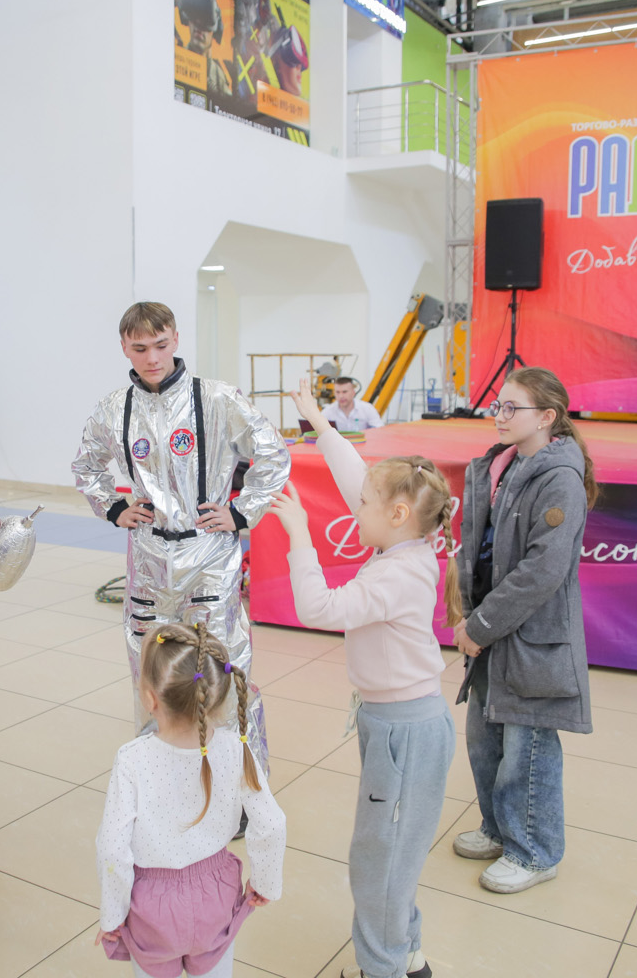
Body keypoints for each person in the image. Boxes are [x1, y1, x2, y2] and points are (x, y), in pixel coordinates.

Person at [267, 378, 460, 978]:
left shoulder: (395, 575)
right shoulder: (402, 542)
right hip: (394, 724)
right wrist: (320, 424)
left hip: (406, 732)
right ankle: (405, 954)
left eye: (365, 507)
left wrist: (300, 535)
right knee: (391, 853)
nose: (356, 509)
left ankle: (384, 968)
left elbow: (319, 608)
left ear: (397, 515)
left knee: (380, 861)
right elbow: (361, 480)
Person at [72, 302, 291, 773]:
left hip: (208, 553)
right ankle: (162, 778)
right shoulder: (115, 408)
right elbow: (86, 466)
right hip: (149, 556)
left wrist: (241, 512)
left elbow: (273, 453)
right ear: (124, 347)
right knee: (151, 670)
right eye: (139, 348)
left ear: (175, 338)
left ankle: (242, 781)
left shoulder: (217, 399)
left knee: (224, 668)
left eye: (160, 345)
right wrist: (115, 508)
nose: (152, 358)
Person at [451, 367, 596, 894]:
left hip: (529, 637)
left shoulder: (559, 479)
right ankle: (498, 828)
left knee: (527, 748)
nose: (499, 415)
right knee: (485, 739)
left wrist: (483, 624)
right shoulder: (502, 465)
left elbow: (542, 569)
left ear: (547, 417)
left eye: (513, 408)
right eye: (498, 405)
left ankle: (534, 851)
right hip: (491, 631)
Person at [96, 622, 286, 978]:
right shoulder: (236, 747)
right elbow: (272, 823)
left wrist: (112, 916)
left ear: (150, 698)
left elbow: (112, 849)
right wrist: (265, 881)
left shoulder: (132, 759)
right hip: (218, 893)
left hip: (152, 907)